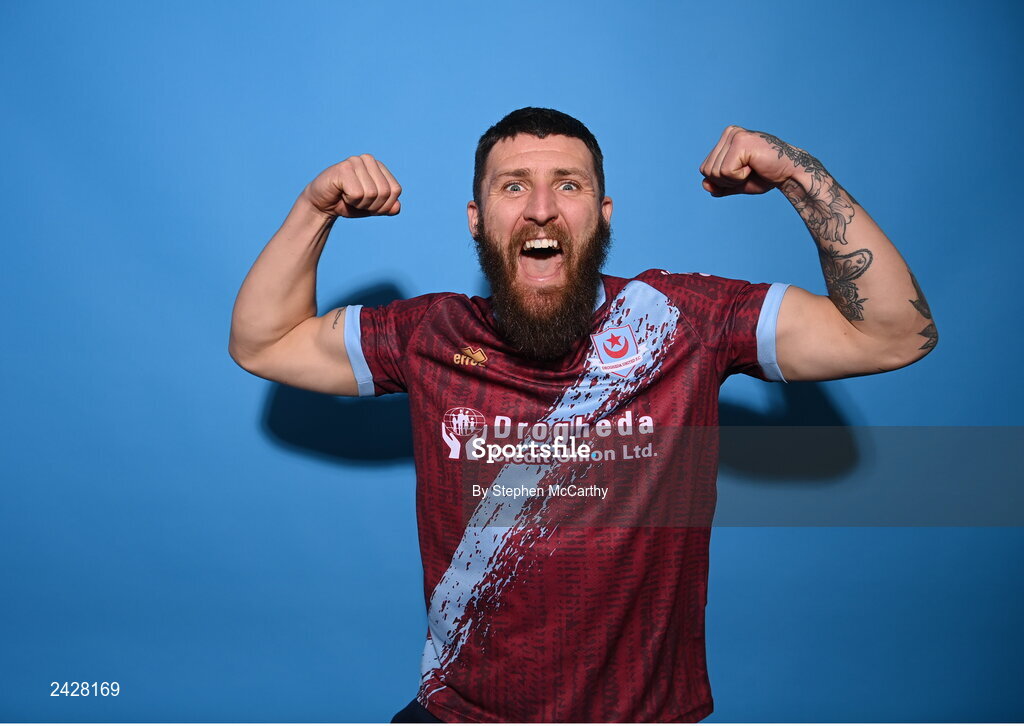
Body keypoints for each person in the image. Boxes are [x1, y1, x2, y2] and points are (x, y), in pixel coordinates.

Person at [229, 108, 936, 722]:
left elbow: (894, 333)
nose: (541, 208)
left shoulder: (681, 320)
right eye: (514, 187)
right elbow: (264, 342)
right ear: (478, 221)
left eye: (568, 184)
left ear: (602, 215)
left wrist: (793, 173)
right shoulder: (431, 335)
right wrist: (314, 208)